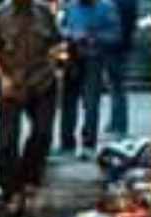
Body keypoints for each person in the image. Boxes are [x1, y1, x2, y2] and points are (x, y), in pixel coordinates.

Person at [0, 0, 62, 217]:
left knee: (42, 132)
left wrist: (54, 65)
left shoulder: (43, 11)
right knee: (7, 140)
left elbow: (56, 43)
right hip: (11, 82)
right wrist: (2, 78)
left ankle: (30, 177)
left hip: (42, 81)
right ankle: (11, 192)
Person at [56, 0, 121, 159]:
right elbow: (60, 29)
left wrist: (94, 37)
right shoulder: (70, 6)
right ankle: (66, 142)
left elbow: (115, 34)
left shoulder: (107, 7)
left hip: (94, 60)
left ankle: (89, 142)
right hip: (72, 60)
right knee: (68, 102)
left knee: (91, 103)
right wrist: (71, 34)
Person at [105, 0, 139, 138]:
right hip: (123, 45)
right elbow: (132, 25)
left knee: (116, 86)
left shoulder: (117, 3)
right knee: (116, 86)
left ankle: (119, 125)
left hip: (114, 46)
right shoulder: (130, 2)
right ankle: (116, 122)